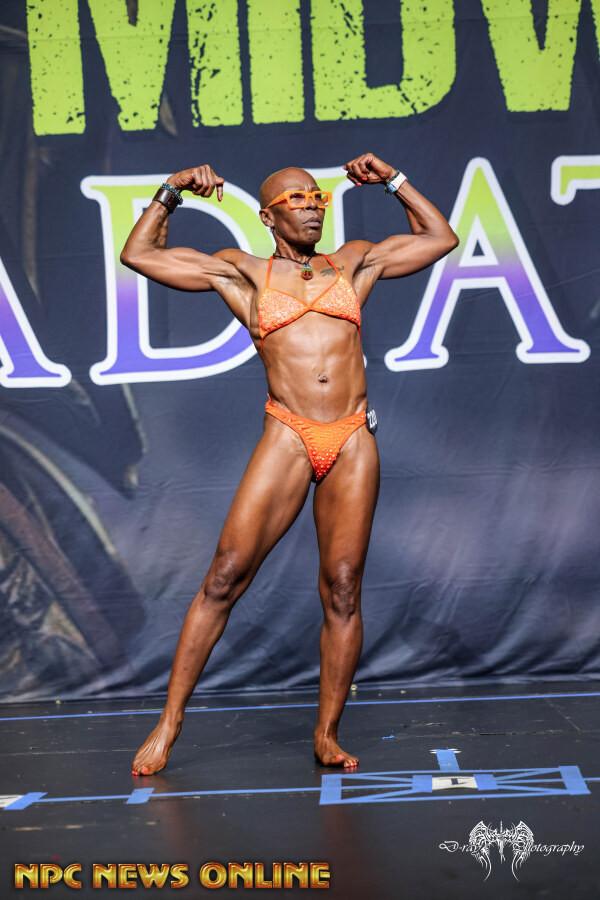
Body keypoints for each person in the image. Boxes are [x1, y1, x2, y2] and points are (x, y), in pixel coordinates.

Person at [121, 153, 459, 774]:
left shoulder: (352, 262)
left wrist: (393, 181)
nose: (311, 206)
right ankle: (168, 723)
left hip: (351, 436)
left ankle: (327, 733)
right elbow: (139, 255)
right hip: (289, 434)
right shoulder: (244, 273)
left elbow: (441, 238)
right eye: (296, 199)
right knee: (224, 577)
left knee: (344, 587)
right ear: (268, 216)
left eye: (317, 198)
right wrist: (172, 188)